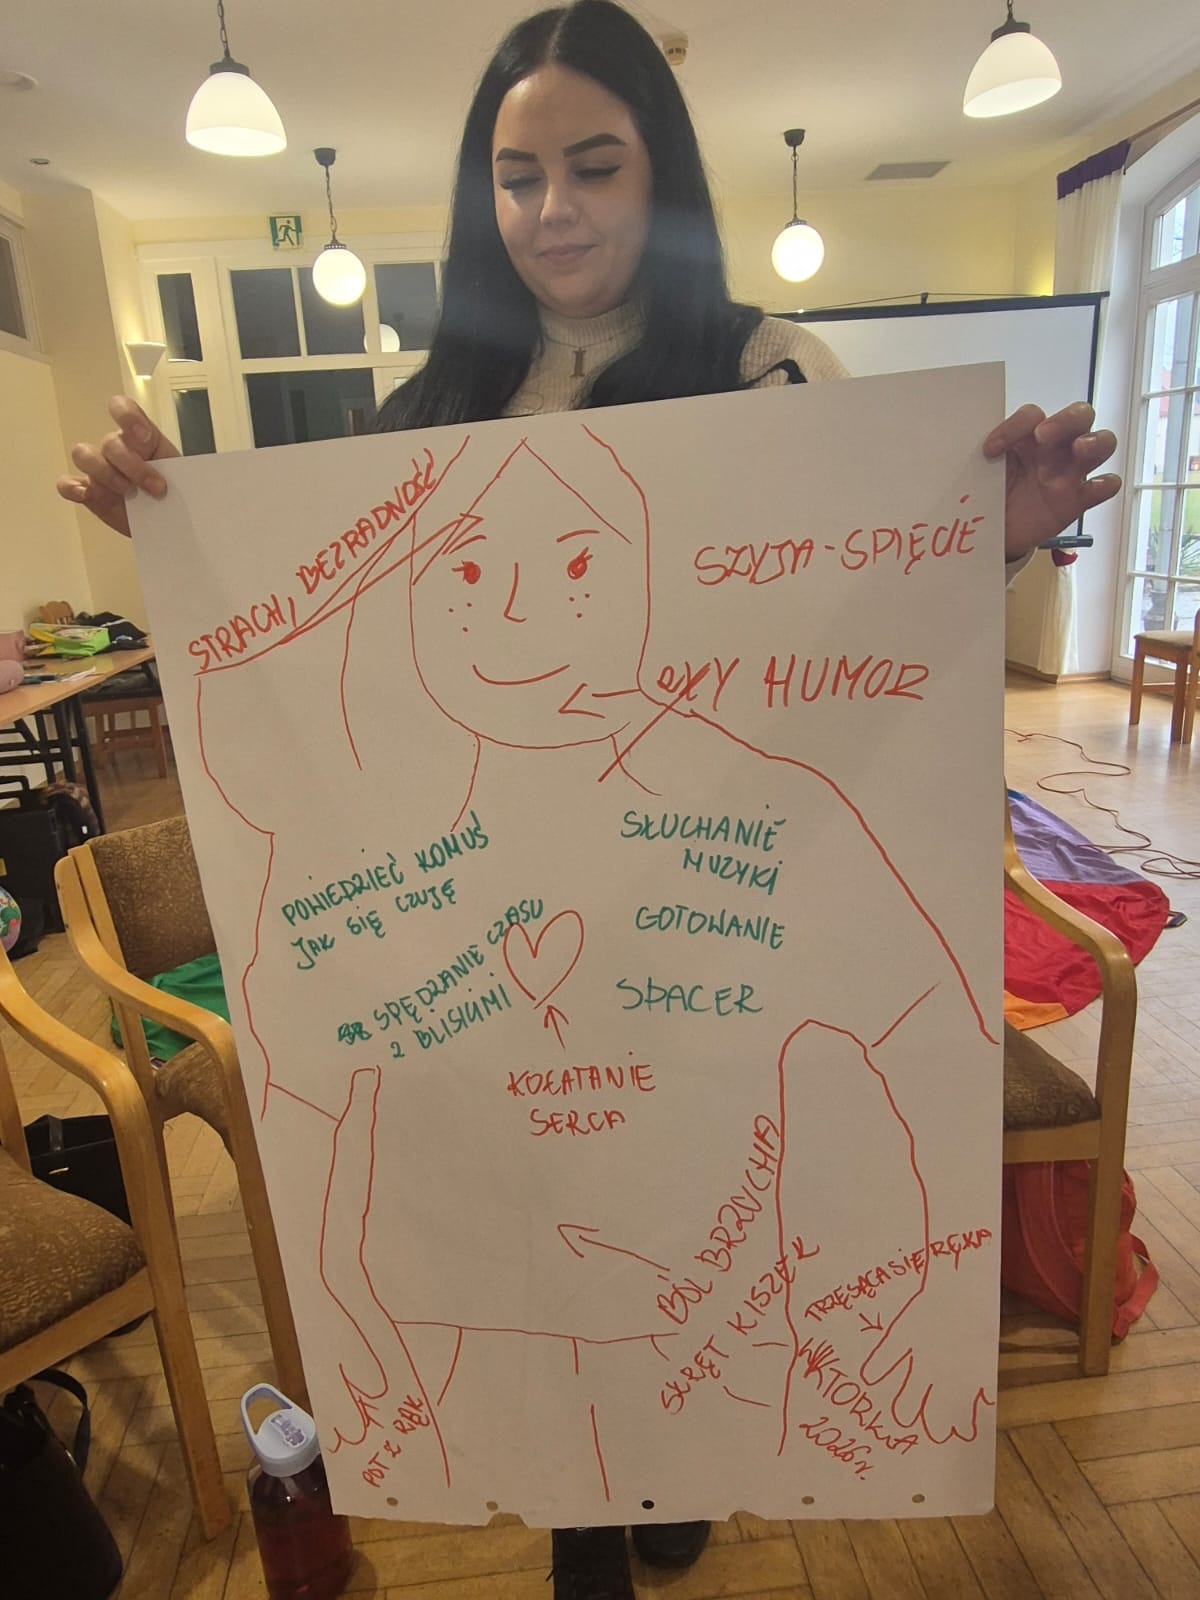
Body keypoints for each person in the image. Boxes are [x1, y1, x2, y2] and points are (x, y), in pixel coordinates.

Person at [57, 4, 1121, 1595]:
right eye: (517, 175)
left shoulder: (773, 373)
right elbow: (328, 652)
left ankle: (668, 1464)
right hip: (490, 917)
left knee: (681, 1201)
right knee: (535, 1218)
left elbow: (857, 634)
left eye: (595, 166)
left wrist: (997, 532)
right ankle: (586, 1526)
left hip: (703, 896)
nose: (551, 209)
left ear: (660, 174)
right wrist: (175, 534)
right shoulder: (428, 409)